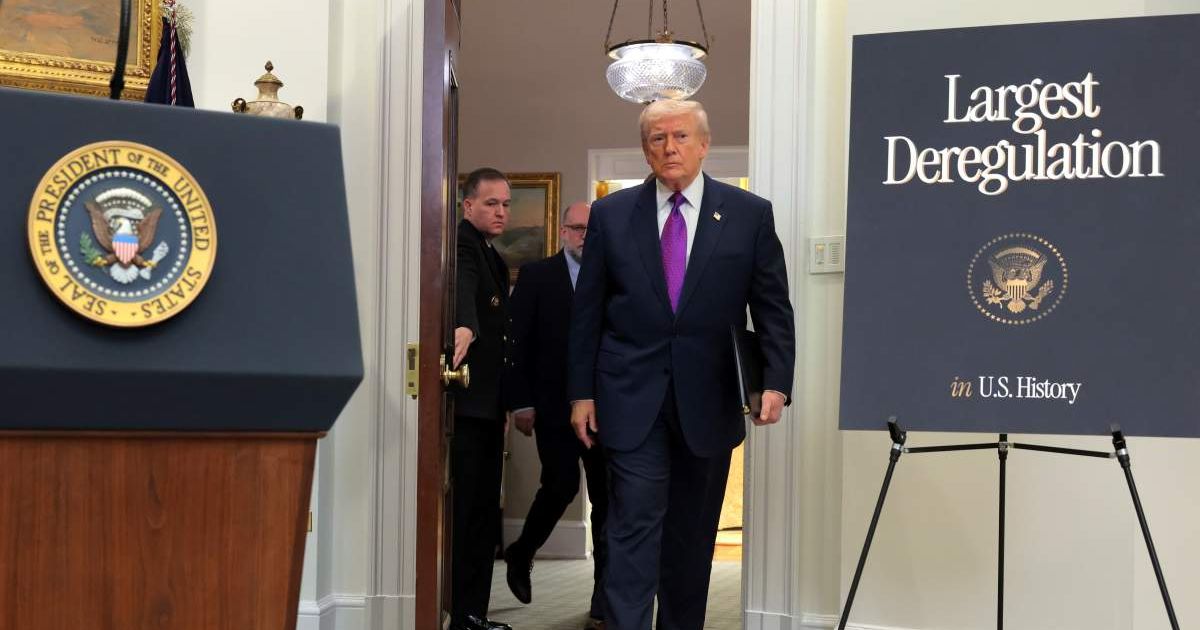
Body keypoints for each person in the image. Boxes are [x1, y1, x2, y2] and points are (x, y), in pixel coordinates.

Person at [567, 100, 796, 630]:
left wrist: (776, 382)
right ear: (645, 148)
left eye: (680, 137)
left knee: (692, 540)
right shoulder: (611, 214)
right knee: (631, 530)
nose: (669, 148)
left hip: (709, 400)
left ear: (704, 143)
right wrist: (581, 392)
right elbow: (588, 313)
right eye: (657, 138)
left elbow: (772, 306)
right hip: (628, 398)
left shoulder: (748, 213)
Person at [503, 202, 608, 629]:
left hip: (605, 409)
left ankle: (605, 597)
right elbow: (517, 344)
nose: (584, 235)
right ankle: (522, 550)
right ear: (563, 231)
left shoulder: (612, 275)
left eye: (591, 229)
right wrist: (521, 402)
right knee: (561, 484)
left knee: (608, 501)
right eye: (577, 228)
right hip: (550, 405)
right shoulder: (537, 276)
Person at [451, 167, 515, 630]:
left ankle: (474, 612)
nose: (500, 211)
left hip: (491, 406)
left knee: (483, 518)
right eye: (491, 203)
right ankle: (462, 613)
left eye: (506, 204)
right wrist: (464, 324)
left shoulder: (492, 254)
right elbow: (461, 289)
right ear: (468, 204)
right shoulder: (461, 245)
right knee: (467, 515)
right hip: (469, 407)